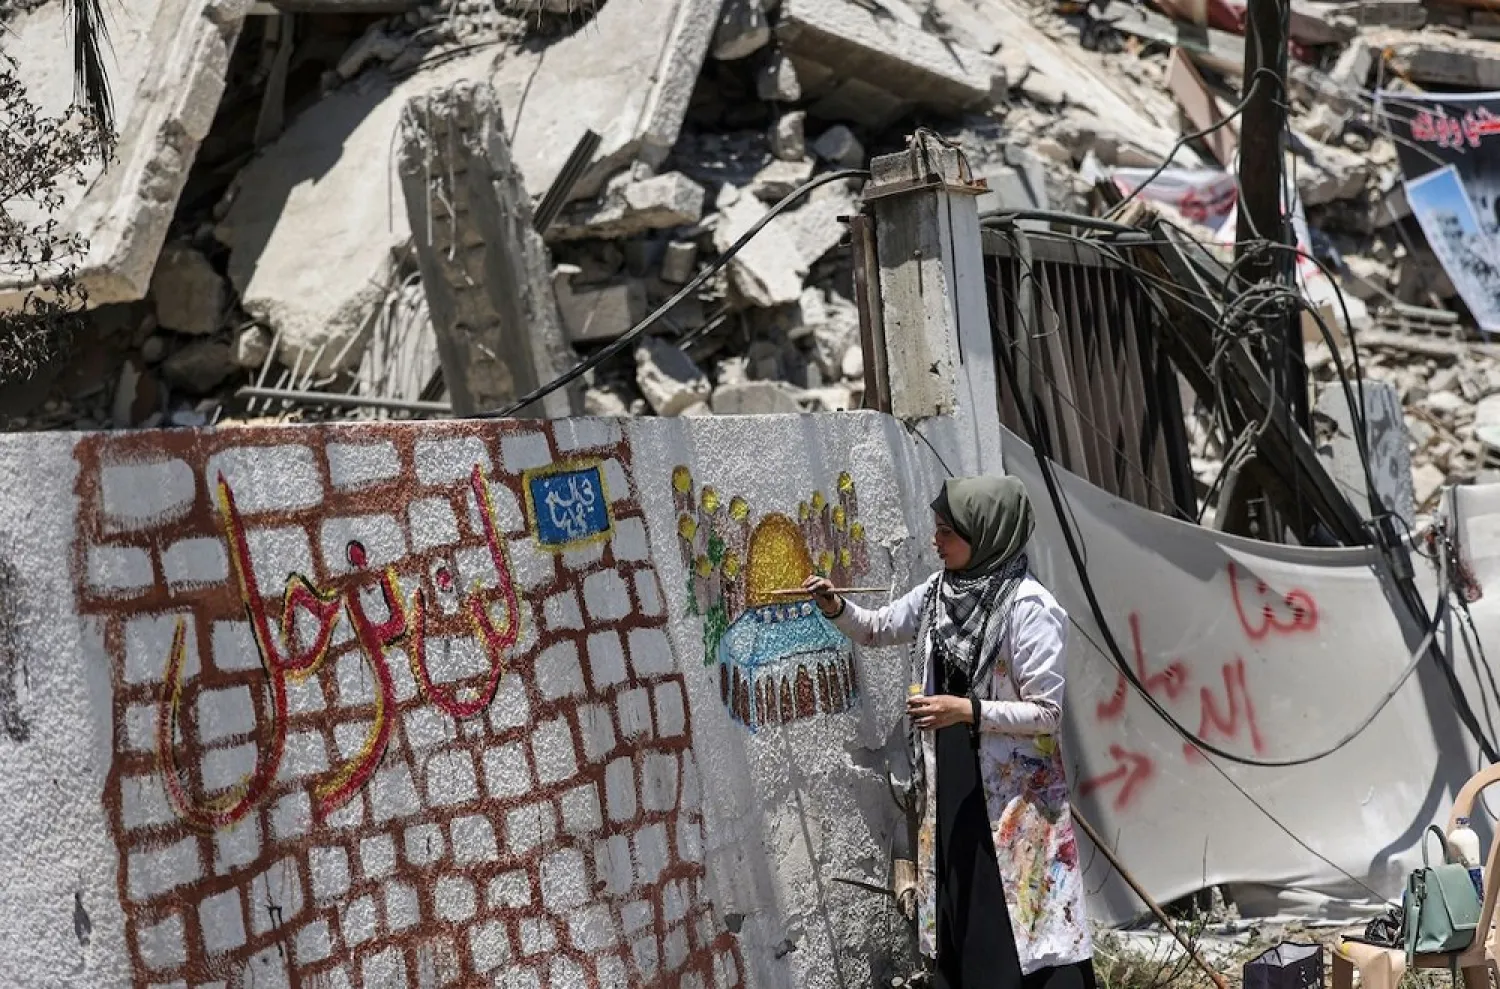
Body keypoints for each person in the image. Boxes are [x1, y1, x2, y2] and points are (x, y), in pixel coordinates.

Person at [802, 475, 1095, 989]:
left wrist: (966, 709)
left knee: (1021, 913)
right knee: (966, 904)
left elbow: (1046, 713)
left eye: (946, 531)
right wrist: (835, 607)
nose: (935, 541)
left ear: (983, 534)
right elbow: (877, 628)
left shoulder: (1030, 608)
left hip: (1014, 798)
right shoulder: (940, 594)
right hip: (957, 783)